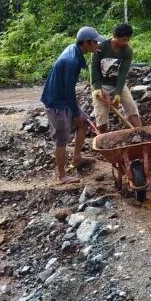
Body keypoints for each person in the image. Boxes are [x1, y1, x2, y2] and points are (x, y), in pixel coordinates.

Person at [41, 26, 106, 185]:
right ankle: (62, 176)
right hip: (56, 102)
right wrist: (75, 113)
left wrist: (77, 113)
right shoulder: (71, 61)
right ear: (86, 43)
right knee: (62, 138)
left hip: (63, 98)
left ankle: (77, 158)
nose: (97, 45)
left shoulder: (74, 50)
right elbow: (69, 89)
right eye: (95, 43)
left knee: (84, 124)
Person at [90, 23, 142, 133]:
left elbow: (123, 73)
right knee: (102, 114)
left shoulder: (127, 51)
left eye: (127, 40)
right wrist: (97, 88)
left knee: (131, 107)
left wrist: (118, 92)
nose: (125, 43)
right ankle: (103, 139)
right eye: (123, 40)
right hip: (101, 84)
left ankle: (141, 133)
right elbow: (94, 68)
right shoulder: (101, 47)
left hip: (117, 83)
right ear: (115, 37)